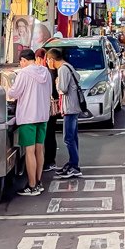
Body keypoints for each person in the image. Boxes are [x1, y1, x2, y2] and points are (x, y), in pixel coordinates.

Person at [7, 48, 52, 196]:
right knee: (40, 149)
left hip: (28, 117)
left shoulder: (24, 74)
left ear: (24, 60)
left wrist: (8, 87)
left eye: (21, 62)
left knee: (29, 151)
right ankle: (38, 182)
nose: (21, 64)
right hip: (43, 116)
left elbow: (13, 93)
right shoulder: (45, 72)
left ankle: (31, 186)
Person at [49, 48, 83, 179]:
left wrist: (57, 83)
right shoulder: (69, 66)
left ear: (52, 59)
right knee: (73, 137)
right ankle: (72, 163)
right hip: (73, 106)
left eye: (48, 60)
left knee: (68, 138)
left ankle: (74, 166)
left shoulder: (62, 69)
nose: (48, 63)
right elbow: (78, 78)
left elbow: (62, 89)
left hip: (69, 107)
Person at [38, 48, 60, 173]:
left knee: (49, 135)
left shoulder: (49, 73)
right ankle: (50, 160)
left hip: (49, 109)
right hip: (51, 109)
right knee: (50, 135)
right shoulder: (52, 71)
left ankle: (50, 161)